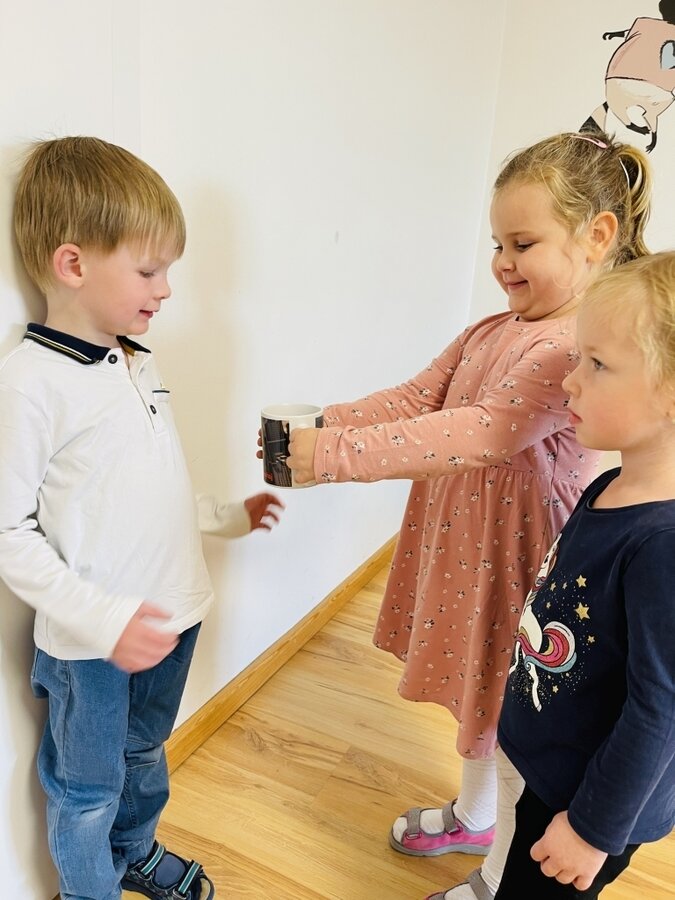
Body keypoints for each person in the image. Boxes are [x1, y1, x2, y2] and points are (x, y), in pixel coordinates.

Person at [285, 131, 652, 900]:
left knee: (514, 716)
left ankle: (492, 875)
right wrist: (321, 424)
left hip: (519, 560)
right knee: (482, 698)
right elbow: (419, 396)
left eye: (523, 243)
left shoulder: (567, 346)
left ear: (596, 236)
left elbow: (485, 432)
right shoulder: (492, 329)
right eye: (497, 244)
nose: (503, 262)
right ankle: (477, 816)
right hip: (465, 547)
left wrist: (334, 455)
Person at [0, 136, 283, 900]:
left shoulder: (136, 359)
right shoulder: (29, 383)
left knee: (144, 755)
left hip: (174, 615)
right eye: (149, 271)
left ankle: (133, 855)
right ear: (73, 264)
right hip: (93, 645)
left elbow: (147, 484)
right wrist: (105, 619)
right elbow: (8, 533)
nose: (166, 290)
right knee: (86, 790)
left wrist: (224, 516)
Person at [494, 250, 675, 898]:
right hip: (552, 767)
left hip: (584, 805)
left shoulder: (662, 546)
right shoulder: (610, 483)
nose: (570, 381)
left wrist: (591, 830)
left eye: (596, 364)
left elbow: (660, 711)